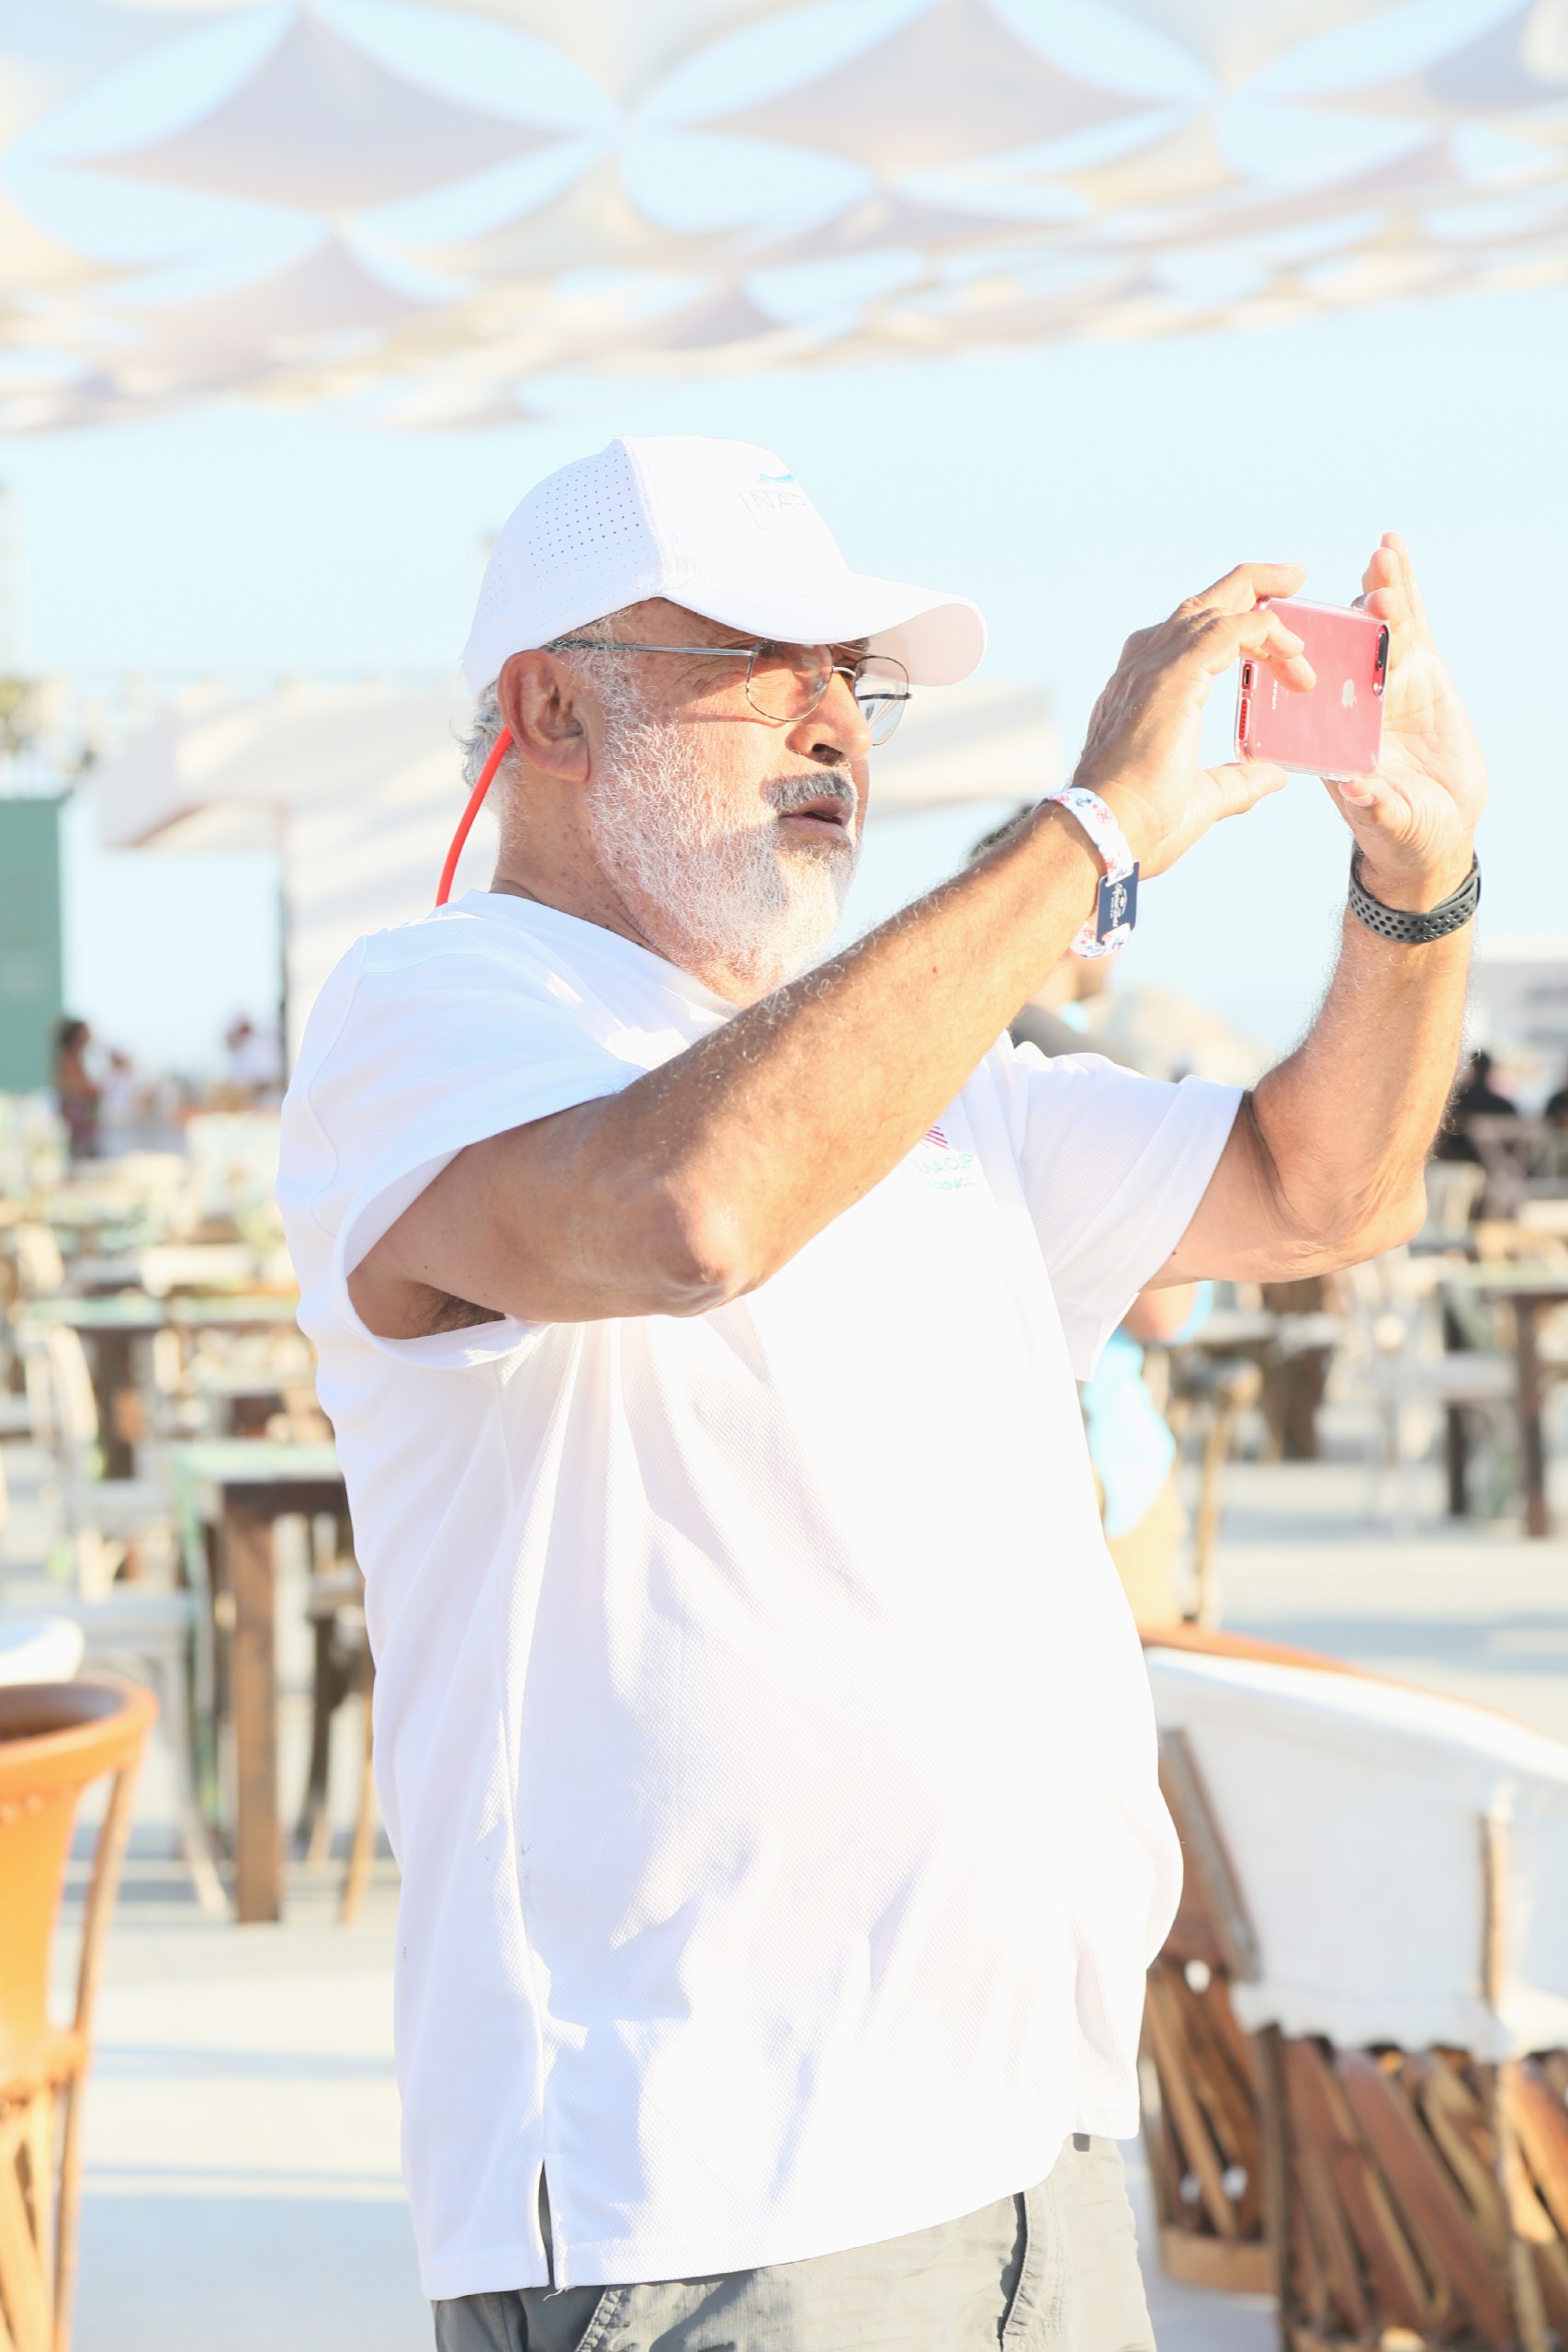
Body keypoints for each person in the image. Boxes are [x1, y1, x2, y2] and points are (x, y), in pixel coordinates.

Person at [276, 435, 1486, 2352]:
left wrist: (1413, 892)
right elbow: (685, 1211)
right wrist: (1090, 828)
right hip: (708, 2205)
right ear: (550, 710)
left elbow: (1319, 1190)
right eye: (764, 662)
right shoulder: (430, 1009)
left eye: (854, 674)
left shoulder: (925, 1073)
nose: (834, 716)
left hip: (1030, 2163)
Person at [1433, 1046, 1515, 1163]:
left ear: (1473, 1068)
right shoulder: (1503, 1105)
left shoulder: (1458, 1101)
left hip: (1459, 1155)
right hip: (1495, 1160)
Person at [52, 1016, 100, 1161]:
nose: (89, 1035)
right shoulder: (68, 1059)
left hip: (79, 1117)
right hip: (75, 1118)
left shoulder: (77, 1058)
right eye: (85, 1032)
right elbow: (74, 1088)